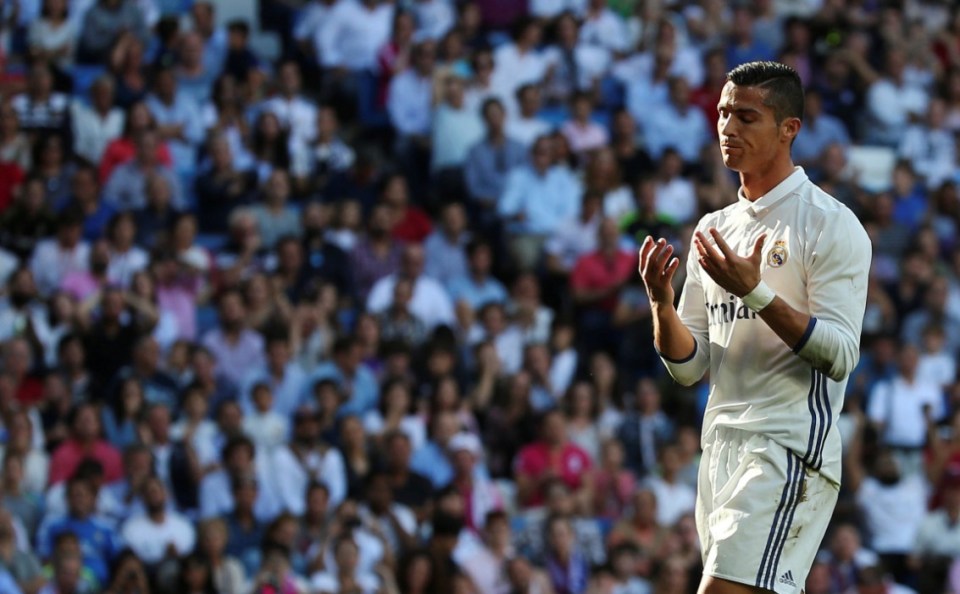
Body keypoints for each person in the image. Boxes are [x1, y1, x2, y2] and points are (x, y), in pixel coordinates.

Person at [638, 61, 871, 594]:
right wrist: (661, 306)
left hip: (787, 445)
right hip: (720, 445)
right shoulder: (713, 228)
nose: (728, 127)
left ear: (789, 128)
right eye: (722, 113)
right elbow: (690, 366)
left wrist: (755, 292)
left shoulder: (830, 223)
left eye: (746, 116)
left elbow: (839, 354)